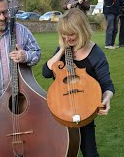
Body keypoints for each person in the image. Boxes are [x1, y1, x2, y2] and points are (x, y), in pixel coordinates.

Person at [42, 8, 115, 157]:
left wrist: (106, 99)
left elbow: (107, 85)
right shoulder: (63, 49)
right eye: (64, 34)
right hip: (60, 109)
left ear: (82, 30)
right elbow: (46, 72)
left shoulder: (96, 53)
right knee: (61, 151)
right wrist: (61, 50)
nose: (67, 38)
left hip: (84, 108)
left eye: (71, 34)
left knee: (90, 152)